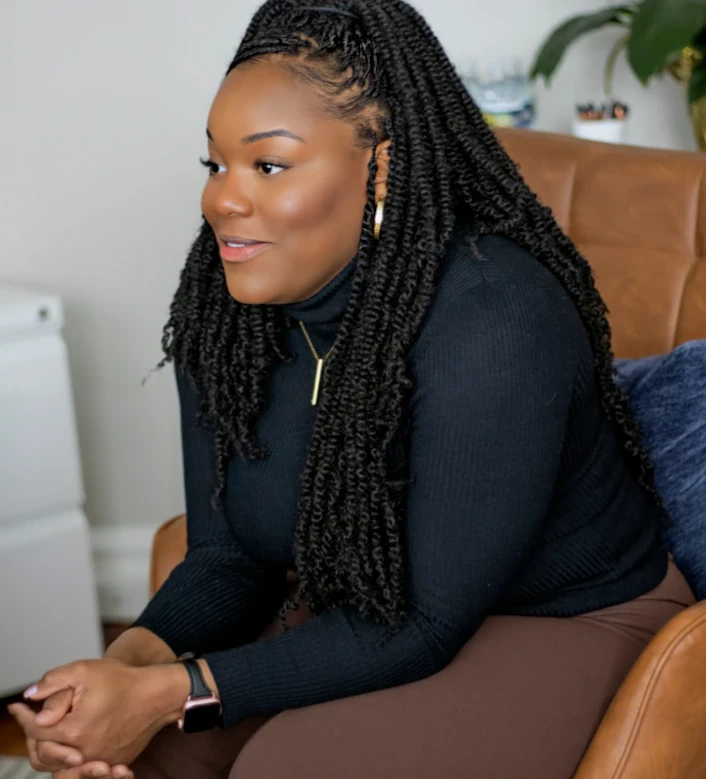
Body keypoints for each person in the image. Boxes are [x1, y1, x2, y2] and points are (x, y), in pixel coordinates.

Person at [9, 1, 695, 777]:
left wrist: (176, 690)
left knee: (287, 767)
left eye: (268, 165)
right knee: (154, 752)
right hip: (360, 600)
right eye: (215, 164)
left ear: (383, 167)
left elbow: (428, 620)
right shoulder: (224, 302)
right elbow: (227, 555)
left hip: (564, 619)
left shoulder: (496, 318)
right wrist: (123, 671)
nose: (222, 199)